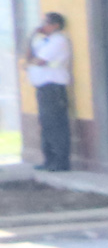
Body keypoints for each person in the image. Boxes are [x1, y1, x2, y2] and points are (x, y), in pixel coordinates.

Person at [23, 9, 70, 170]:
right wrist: (31, 37)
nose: (43, 26)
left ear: (56, 25)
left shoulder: (58, 41)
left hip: (53, 87)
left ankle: (61, 161)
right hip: (42, 87)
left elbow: (40, 61)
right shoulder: (43, 41)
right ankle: (49, 160)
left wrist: (32, 61)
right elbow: (29, 57)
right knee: (46, 125)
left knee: (56, 125)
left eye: (46, 23)